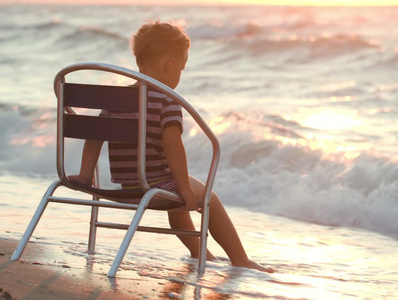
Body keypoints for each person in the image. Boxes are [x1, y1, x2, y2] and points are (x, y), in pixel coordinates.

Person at [69, 20, 274, 273]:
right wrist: (186, 188)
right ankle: (240, 259)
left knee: (179, 198)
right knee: (208, 198)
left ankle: (201, 253)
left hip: (127, 186)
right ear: (171, 65)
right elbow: (173, 145)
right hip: (154, 186)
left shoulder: (116, 100)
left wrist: (85, 174)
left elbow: (94, 135)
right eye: (182, 69)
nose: (180, 75)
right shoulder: (167, 100)